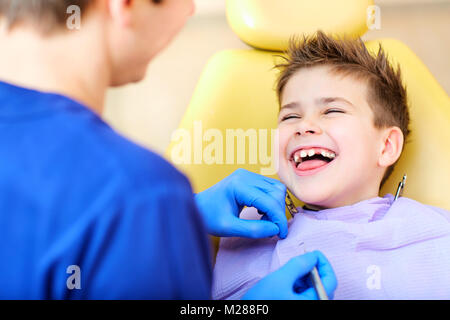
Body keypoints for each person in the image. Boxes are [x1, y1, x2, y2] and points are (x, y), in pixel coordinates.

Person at [0, 0, 337, 299]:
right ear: (124, 4)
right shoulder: (142, 194)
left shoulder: (135, 200)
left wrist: (183, 213)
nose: (191, 8)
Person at [212, 31, 450, 300]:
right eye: (290, 116)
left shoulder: (437, 233)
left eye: (332, 111)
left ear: (386, 147)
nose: (304, 126)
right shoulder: (254, 236)